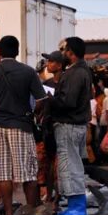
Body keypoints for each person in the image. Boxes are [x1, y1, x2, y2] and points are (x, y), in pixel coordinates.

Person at [0, 35, 46, 215]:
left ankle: (8, 214)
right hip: (21, 126)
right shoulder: (28, 72)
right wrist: (33, 114)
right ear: (16, 51)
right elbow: (41, 101)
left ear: (0, 52)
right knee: (28, 173)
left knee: (3, 172)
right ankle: (30, 213)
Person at [48, 37, 92, 215]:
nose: (62, 53)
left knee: (70, 166)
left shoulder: (75, 73)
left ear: (71, 52)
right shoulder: (84, 70)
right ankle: (75, 205)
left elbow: (68, 101)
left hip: (69, 124)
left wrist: (49, 100)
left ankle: (77, 208)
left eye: (64, 50)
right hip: (78, 125)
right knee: (74, 165)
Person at [36, 50, 65, 203]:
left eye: (51, 61)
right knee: (47, 165)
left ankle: (57, 198)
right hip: (47, 129)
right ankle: (49, 196)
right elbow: (40, 106)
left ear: (59, 65)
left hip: (61, 127)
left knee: (59, 167)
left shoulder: (66, 83)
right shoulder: (46, 84)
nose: (48, 64)